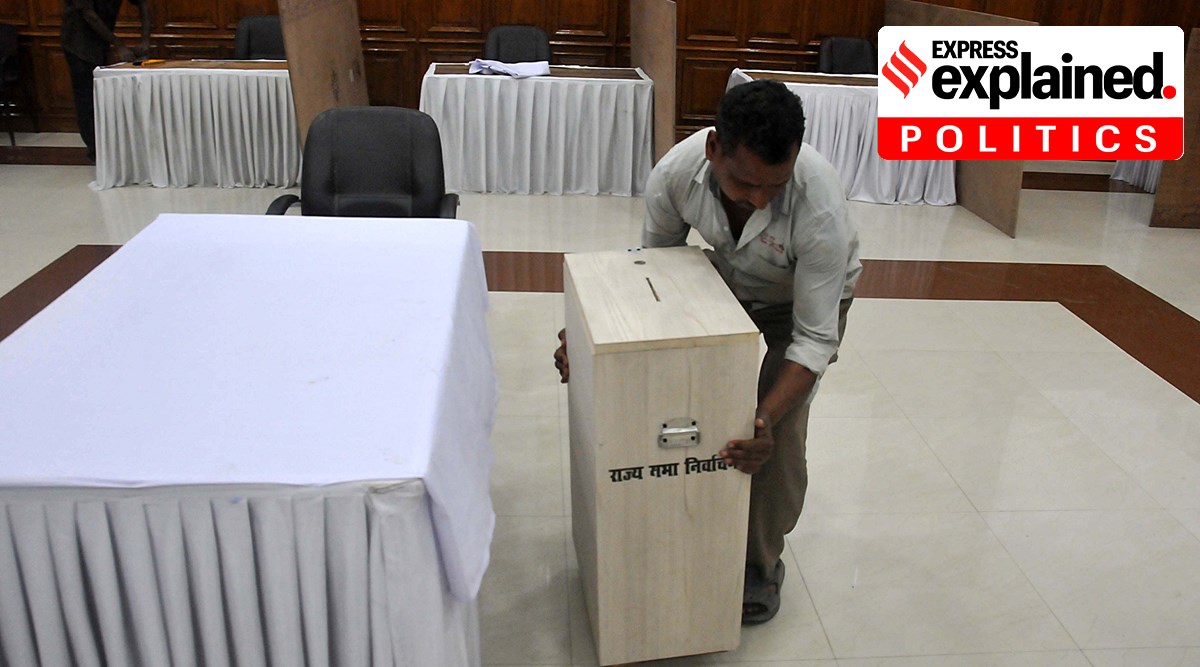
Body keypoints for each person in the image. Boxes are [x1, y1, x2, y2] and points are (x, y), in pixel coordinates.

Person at [554, 79, 860, 625]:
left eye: (775, 186)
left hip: (802, 306)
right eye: (745, 183)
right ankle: (679, 525)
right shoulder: (675, 174)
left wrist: (764, 417)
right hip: (727, 281)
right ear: (714, 148)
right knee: (679, 401)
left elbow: (814, 339)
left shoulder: (820, 209)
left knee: (769, 438)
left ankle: (758, 565)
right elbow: (652, 272)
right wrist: (589, 333)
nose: (760, 198)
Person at [60, 0, 153, 163]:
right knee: (87, 98)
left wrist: (145, 40)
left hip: (101, 42)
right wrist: (119, 45)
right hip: (78, 44)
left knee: (104, 98)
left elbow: (144, 4)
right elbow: (89, 15)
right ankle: (95, 152)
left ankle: (109, 147)